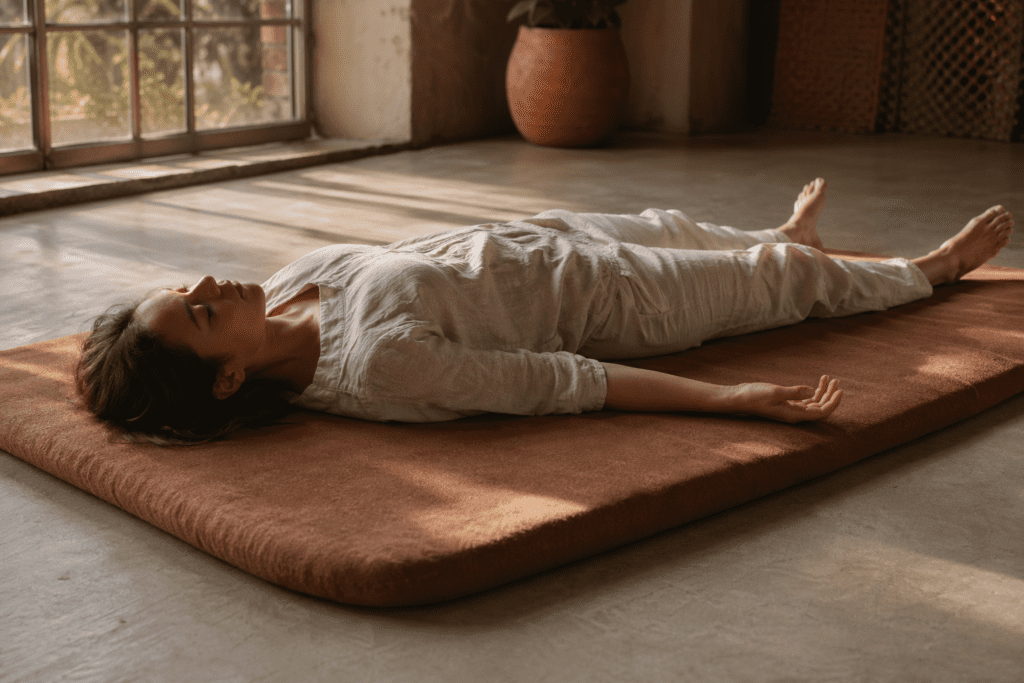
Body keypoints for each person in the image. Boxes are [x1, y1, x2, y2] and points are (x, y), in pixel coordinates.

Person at [75, 179, 1014, 444]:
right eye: (198, 317)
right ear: (228, 376)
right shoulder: (382, 368)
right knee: (781, 283)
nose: (207, 289)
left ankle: (784, 234)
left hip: (550, 233)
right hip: (618, 303)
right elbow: (568, 383)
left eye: (187, 290)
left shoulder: (284, 284)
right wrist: (728, 402)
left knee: (681, 221)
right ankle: (926, 274)